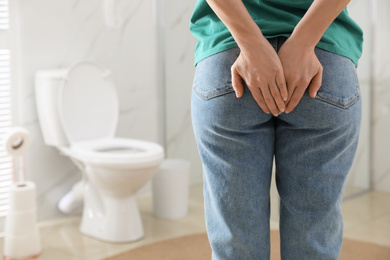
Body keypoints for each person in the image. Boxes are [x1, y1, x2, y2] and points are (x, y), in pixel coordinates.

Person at [190, 0, 363, 259]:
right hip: (323, 65)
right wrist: (304, 41)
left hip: (230, 64)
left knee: (236, 249)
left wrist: (251, 44)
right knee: (313, 247)